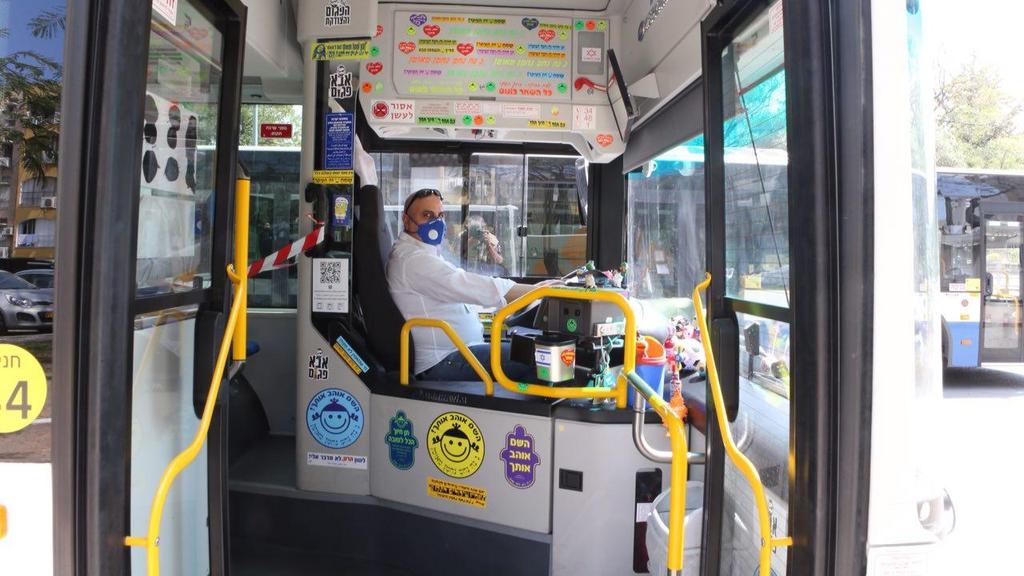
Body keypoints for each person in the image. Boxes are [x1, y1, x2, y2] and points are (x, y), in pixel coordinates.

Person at [388, 188, 555, 383]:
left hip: (460, 349)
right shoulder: (413, 260)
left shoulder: (424, 253)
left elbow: (458, 287)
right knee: (541, 359)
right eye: (427, 215)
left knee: (532, 351)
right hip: (443, 361)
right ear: (406, 220)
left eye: (440, 215)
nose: (436, 222)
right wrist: (540, 291)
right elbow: (465, 284)